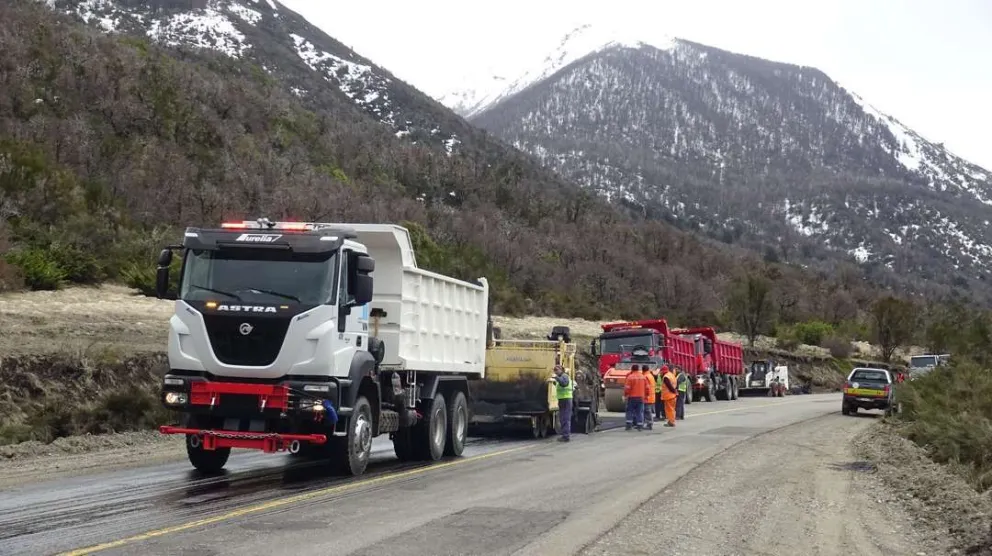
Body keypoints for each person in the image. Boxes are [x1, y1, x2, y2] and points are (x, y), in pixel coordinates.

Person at [550, 364, 573, 442]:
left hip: (566, 399)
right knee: (562, 418)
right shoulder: (560, 377)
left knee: (565, 418)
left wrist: (556, 378)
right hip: (562, 400)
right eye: (555, 370)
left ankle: (566, 436)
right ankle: (564, 435)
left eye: (557, 370)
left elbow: (564, 383)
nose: (556, 372)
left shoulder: (564, 376)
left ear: (561, 370)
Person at [623, 364, 646, 431]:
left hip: (632, 397)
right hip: (641, 397)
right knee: (639, 412)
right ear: (638, 369)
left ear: (632, 369)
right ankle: (640, 425)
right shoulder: (643, 377)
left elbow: (627, 388)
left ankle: (629, 425)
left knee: (630, 411)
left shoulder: (630, 377)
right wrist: (646, 395)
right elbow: (647, 387)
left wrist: (625, 395)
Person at [643, 365, 656, 430]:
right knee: (648, 410)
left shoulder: (646, 376)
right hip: (652, 396)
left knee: (647, 411)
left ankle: (649, 424)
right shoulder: (651, 376)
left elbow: (646, 387)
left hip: (647, 396)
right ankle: (649, 423)